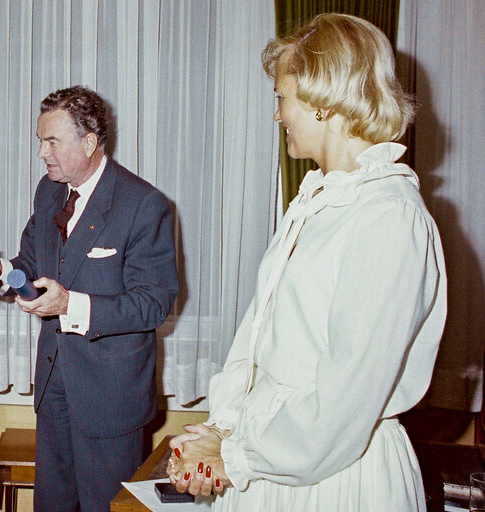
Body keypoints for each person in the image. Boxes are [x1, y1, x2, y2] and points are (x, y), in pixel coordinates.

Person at [166, 13, 446, 512]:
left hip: (335, 476)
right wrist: (219, 431)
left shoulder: (389, 217)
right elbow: (256, 342)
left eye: (281, 97)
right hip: (272, 457)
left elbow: (345, 399)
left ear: (323, 101)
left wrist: (236, 458)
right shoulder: (317, 200)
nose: (278, 115)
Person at [0, 85, 178, 512]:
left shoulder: (143, 204)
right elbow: (31, 263)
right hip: (54, 385)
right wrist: (2, 275)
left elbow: (154, 302)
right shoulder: (49, 191)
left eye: (51, 141)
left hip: (109, 399)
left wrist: (70, 305)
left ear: (89, 143)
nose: (41, 152)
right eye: (40, 140)